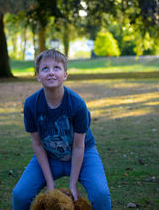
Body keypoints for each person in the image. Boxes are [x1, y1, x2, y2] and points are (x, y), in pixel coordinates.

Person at [13, 49, 111, 210]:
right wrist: (50, 183)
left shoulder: (77, 104)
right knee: (19, 195)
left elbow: (79, 146)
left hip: (83, 154)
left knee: (101, 195)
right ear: (38, 76)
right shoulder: (31, 104)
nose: (51, 73)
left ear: (65, 74)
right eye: (45, 68)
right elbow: (37, 144)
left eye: (56, 68)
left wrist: (73, 184)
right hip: (50, 156)